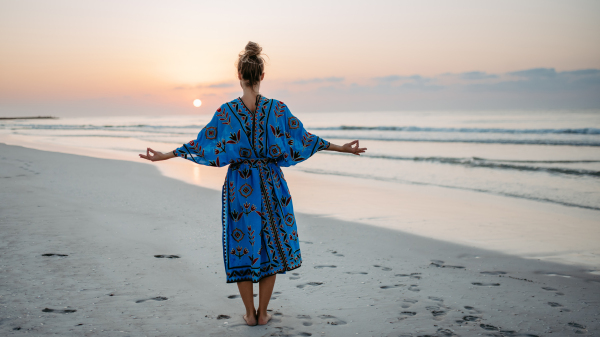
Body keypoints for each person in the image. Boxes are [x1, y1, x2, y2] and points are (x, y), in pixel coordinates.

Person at [139, 41, 366, 326]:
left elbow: (202, 144)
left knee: (243, 244)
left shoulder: (226, 112)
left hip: (240, 185)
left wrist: (166, 155)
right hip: (271, 183)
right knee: (270, 246)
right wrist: (343, 148)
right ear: (261, 76)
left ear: (239, 76)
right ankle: (263, 313)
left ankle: (249, 313)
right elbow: (305, 140)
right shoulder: (278, 110)